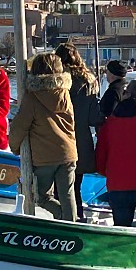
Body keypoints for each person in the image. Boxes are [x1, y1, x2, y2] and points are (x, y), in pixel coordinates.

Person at [9, 53, 78, 222]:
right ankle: (71, 226)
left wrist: (14, 147)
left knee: (40, 196)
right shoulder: (65, 93)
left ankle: (61, 215)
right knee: (68, 195)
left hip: (45, 157)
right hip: (68, 152)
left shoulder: (32, 98)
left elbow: (19, 127)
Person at [55, 42, 105, 221]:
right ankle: (78, 219)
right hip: (81, 142)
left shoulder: (56, 81)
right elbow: (94, 118)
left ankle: (64, 221)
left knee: (58, 190)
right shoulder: (90, 81)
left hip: (57, 140)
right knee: (75, 187)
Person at [96, 80, 136, 226]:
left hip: (117, 184)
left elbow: (101, 155)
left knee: (121, 233)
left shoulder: (110, 123)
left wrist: (106, 172)